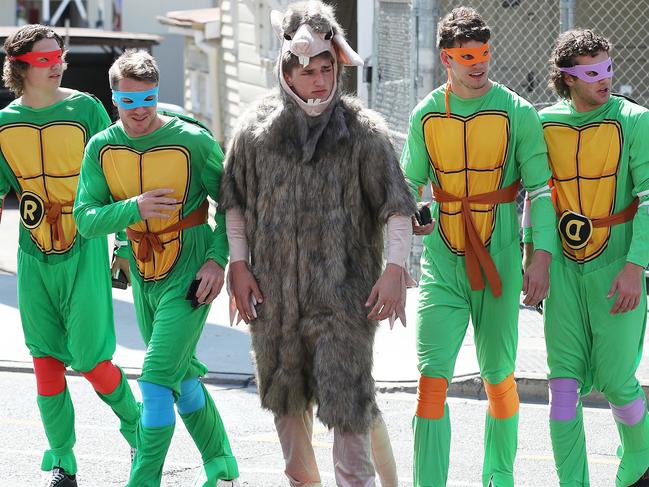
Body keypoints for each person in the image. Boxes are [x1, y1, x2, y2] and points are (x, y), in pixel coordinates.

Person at [220, 2, 416, 485]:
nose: (319, 80)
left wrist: (395, 270)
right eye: (307, 70)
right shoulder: (255, 131)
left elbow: (396, 208)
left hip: (345, 302)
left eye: (327, 68)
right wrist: (238, 266)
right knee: (288, 414)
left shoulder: (363, 133)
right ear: (285, 70)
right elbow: (235, 204)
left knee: (349, 409)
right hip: (274, 301)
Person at [401, 7, 557, 486]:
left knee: (499, 379)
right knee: (431, 383)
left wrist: (541, 258)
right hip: (442, 265)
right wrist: (416, 213)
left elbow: (542, 191)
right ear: (446, 57)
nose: (479, 63)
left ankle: (499, 478)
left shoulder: (518, 111)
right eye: (467, 55)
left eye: (484, 53)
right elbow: (409, 186)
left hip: (502, 258)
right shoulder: (426, 113)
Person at [73, 50, 239, 487]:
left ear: (156, 93)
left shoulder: (193, 141)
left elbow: (235, 204)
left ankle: (143, 480)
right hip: (143, 276)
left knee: (154, 378)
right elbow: (86, 219)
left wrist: (217, 260)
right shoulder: (101, 148)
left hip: (190, 272)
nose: (140, 110)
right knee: (179, 377)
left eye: (147, 99)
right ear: (114, 99)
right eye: (128, 101)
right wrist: (133, 210)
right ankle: (220, 460)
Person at [0, 25, 140, 487]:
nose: (58, 62)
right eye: (46, 58)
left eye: (60, 54)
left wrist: (122, 243)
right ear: (21, 66)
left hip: (84, 248)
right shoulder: (4, 124)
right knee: (43, 360)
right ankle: (63, 459)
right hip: (32, 251)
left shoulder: (87, 109)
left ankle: (139, 428)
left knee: (92, 361)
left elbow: (116, 177)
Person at [522, 29, 649, 487]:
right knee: (561, 388)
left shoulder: (634, 120)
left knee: (618, 382)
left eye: (608, 69)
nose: (605, 79)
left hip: (616, 265)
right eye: (592, 72)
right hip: (563, 271)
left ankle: (639, 466)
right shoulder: (543, 123)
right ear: (567, 78)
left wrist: (636, 266)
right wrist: (532, 254)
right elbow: (536, 195)